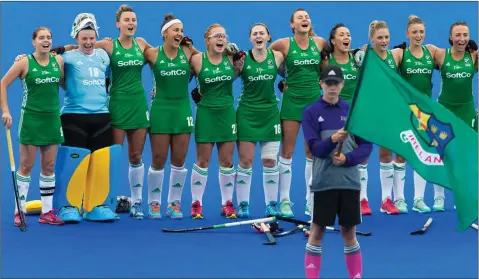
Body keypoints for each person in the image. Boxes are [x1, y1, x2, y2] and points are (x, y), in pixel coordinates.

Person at [302, 65, 372, 279]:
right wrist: (333, 140)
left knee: (349, 233)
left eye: (336, 83)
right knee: (317, 231)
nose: (332, 87)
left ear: (342, 85)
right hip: (324, 182)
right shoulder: (311, 112)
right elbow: (314, 149)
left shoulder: (351, 112)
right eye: (328, 83)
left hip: (349, 182)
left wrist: (347, 159)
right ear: (321, 84)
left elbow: (366, 147)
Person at [269, 8, 330, 217]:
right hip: (292, 102)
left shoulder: (320, 43)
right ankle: (285, 201)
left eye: (307, 17)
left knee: (312, 153)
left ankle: (310, 200)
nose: (305, 19)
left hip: (314, 102)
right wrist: (282, 78)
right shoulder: (284, 44)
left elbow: (327, 65)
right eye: (299, 18)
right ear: (292, 25)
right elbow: (269, 60)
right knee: (286, 153)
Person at [1, 27, 65, 226]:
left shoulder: (59, 61)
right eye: (41, 38)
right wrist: (5, 110)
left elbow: (64, 83)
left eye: (49, 37)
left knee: (49, 167)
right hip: (31, 120)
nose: (45, 40)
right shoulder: (24, 62)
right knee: (26, 166)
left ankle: (46, 213)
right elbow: (2, 84)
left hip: (52, 120)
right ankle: (18, 211)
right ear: (34, 42)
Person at [144, 13, 196, 219]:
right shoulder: (152, 54)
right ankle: (154, 203)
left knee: (179, 160)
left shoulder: (188, 51)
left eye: (182, 31)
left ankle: (174, 203)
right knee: (158, 158)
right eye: (176, 30)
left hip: (182, 109)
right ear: (165, 33)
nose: (180, 34)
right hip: (161, 109)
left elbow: (206, 59)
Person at [188, 23, 242, 219]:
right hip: (206, 113)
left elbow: (235, 77)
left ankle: (227, 204)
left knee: (227, 161)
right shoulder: (196, 60)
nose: (221, 39)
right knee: (202, 161)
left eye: (224, 36)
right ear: (207, 40)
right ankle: (196, 204)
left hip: (227, 113)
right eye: (216, 36)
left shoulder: (231, 58)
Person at [392, 15, 444, 213]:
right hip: (405, 110)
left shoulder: (431, 51)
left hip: (424, 112)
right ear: (407, 34)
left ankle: (418, 200)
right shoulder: (400, 53)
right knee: (402, 154)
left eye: (421, 32)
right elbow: (382, 59)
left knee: (423, 154)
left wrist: (472, 51)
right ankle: (399, 200)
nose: (418, 35)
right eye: (414, 32)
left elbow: (452, 55)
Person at [234, 23, 285, 218]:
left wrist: (287, 84)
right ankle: (243, 204)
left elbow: (293, 72)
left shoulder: (277, 57)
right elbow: (225, 78)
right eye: (254, 33)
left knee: (270, 161)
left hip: (270, 113)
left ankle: (272, 204)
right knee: (246, 161)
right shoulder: (243, 59)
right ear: (250, 39)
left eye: (261, 33)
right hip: (247, 113)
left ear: (268, 37)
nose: (258, 36)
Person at [320, 23, 372, 215]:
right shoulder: (326, 62)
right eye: (341, 35)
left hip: (357, 113)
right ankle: (325, 198)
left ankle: (363, 199)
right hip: (333, 113)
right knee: (330, 156)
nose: (346, 37)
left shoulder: (357, 58)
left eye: (348, 34)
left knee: (360, 156)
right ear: (333, 40)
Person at [428, 21, 478, 211]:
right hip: (445, 109)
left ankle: (462, 195)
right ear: (450, 37)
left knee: (465, 155)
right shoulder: (440, 54)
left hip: (466, 110)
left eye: (465, 35)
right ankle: (438, 198)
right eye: (458, 35)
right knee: (443, 153)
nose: (462, 39)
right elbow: (419, 53)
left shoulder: (474, 56)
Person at [367, 20, 404, 215]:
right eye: (379, 37)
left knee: (386, 156)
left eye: (387, 37)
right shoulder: (364, 56)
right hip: (367, 112)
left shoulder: (395, 56)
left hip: (388, 112)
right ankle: (361, 200)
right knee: (361, 156)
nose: (383, 41)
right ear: (371, 38)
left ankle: (386, 200)